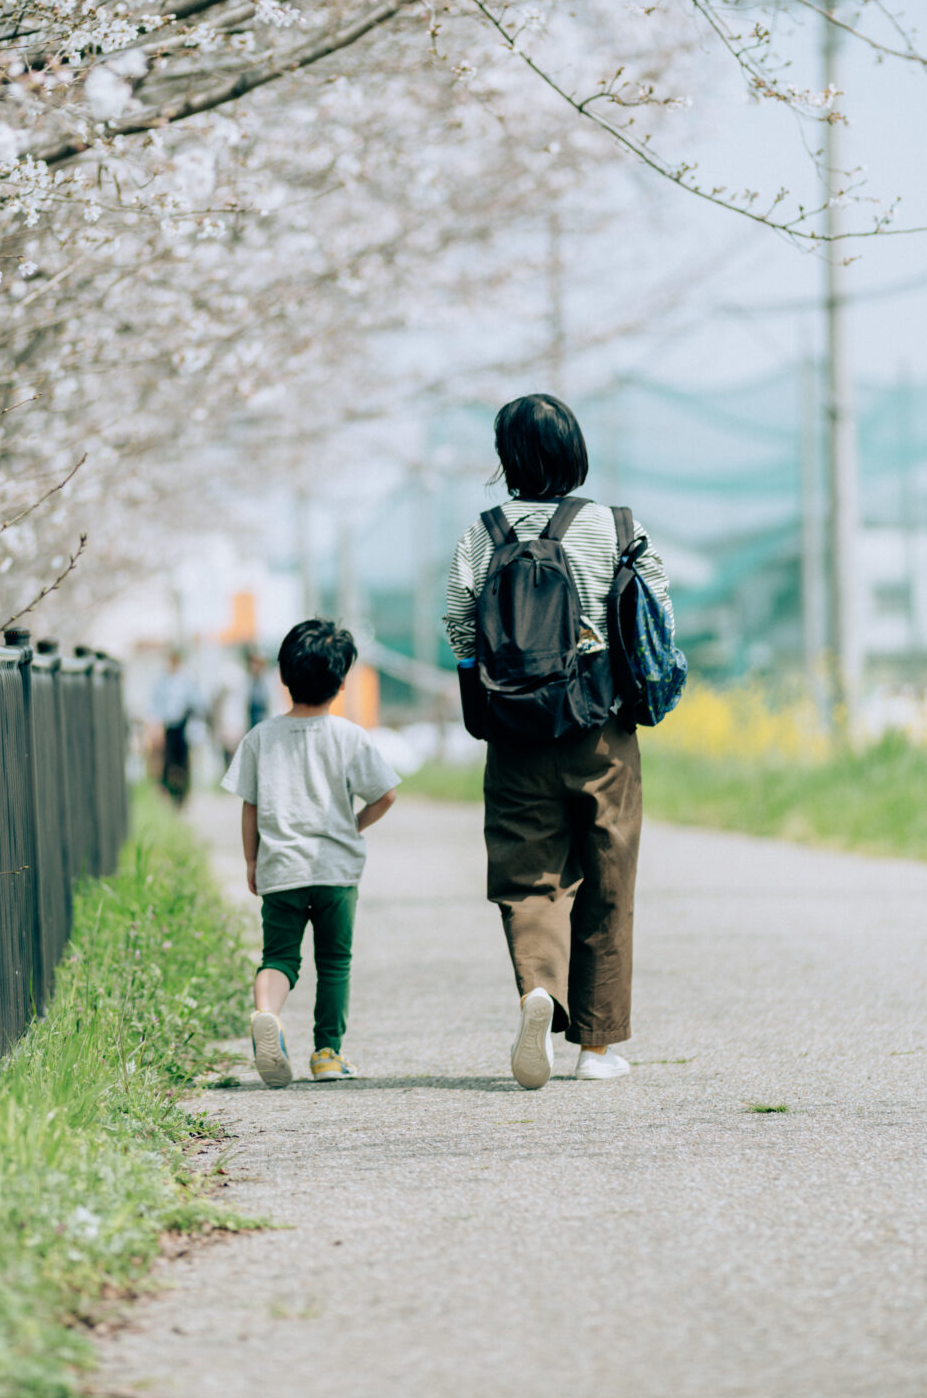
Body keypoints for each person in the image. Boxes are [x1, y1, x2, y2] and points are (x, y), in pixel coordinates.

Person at [443, 393, 672, 1088]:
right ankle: (597, 1048)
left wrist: (493, 678)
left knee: (528, 875)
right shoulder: (614, 525)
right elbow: (656, 606)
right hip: (599, 724)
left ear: (506, 457)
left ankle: (539, 988)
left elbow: (458, 619)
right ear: (574, 450)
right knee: (609, 873)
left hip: (515, 729)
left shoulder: (483, 532)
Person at [221, 619, 400, 1087]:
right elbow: (385, 794)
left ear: (283, 676)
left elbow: (250, 807)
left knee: (279, 957)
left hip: (281, 869)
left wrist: (252, 860)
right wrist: (352, 826)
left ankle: (267, 1015)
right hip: (335, 871)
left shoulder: (261, 737)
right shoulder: (350, 736)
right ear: (341, 683)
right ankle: (326, 1054)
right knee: (334, 963)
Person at [150, 647, 201, 809]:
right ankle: (169, 793)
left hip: (183, 727)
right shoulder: (162, 681)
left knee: (183, 762)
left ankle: (183, 794)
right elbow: (155, 707)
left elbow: (197, 703)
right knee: (168, 762)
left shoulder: (187, 680)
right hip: (168, 727)